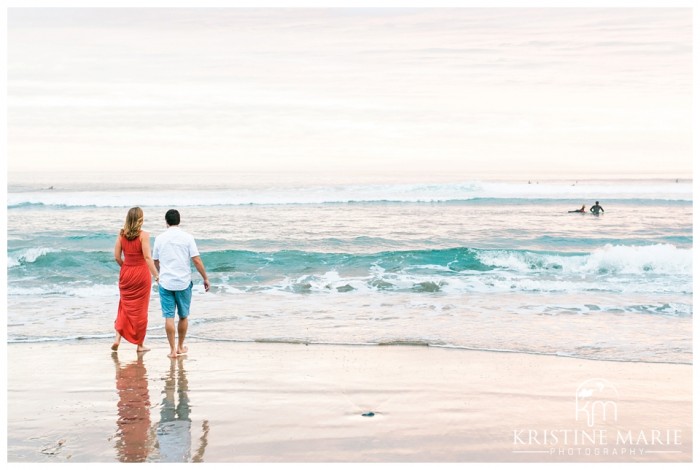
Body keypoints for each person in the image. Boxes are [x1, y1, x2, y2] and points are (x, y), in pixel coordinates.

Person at [153, 209, 210, 359]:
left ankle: (172, 350)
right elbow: (196, 260)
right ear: (179, 221)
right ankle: (180, 347)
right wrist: (205, 277)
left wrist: (159, 275)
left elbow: (155, 261)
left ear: (166, 222)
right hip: (183, 282)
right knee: (183, 316)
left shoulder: (159, 238)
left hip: (165, 283)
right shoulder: (188, 238)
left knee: (169, 317)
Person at [113, 207, 159, 352]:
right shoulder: (144, 235)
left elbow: (116, 257)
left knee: (123, 306)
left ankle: (117, 339)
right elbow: (147, 257)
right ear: (140, 219)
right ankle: (139, 345)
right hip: (141, 274)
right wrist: (156, 275)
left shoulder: (121, 234)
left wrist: (126, 267)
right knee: (140, 310)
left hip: (126, 273)